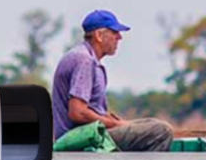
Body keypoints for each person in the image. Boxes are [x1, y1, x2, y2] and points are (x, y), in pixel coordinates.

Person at [52, 10, 174, 151]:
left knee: (152, 123)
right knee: (161, 130)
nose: (119, 37)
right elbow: (78, 112)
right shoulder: (84, 60)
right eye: (115, 32)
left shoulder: (86, 58)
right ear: (99, 35)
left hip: (90, 133)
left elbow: (91, 109)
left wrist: (117, 121)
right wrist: (115, 125)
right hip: (82, 139)